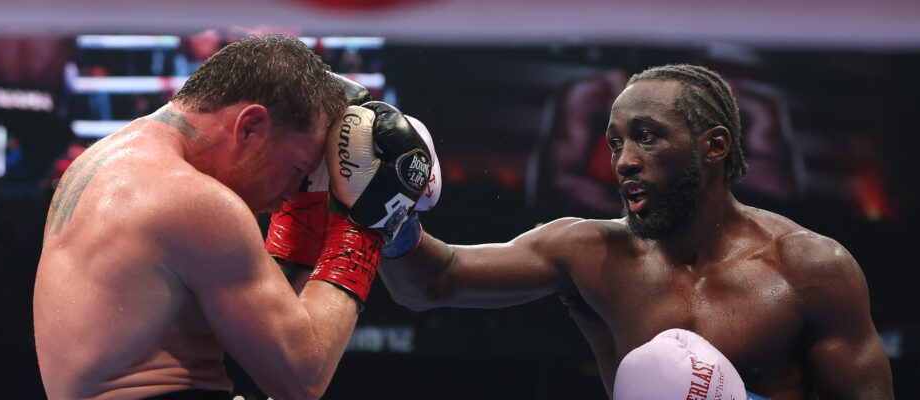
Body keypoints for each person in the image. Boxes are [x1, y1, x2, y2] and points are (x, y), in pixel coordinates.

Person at [378, 64, 894, 398]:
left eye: (646, 137)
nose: (623, 161)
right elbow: (434, 281)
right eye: (614, 142)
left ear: (714, 146)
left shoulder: (810, 269)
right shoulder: (588, 251)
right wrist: (391, 216)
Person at [33, 34, 424, 400]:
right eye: (297, 171)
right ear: (250, 127)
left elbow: (262, 324)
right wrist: (365, 228)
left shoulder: (99, 163)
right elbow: (303, 376)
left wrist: (304, 218)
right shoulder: (194, 200)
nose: (289, 197)